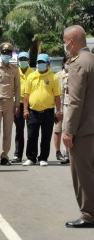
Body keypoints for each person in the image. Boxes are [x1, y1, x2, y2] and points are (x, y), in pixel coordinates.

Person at [63, 25, 94, 228]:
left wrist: (69, 131)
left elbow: (75, 102)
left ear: (72, 42)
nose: (65, 45)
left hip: (83, 130)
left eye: (65, 42)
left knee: (82, 174)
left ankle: (88, 214)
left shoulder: (78, 64)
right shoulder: (91, 60)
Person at [23, 53, 62, 166]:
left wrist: (58, 111)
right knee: (31, 136)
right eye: (38, 62)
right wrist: (25, 110)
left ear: (48, 64)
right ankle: (31, 157)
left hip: (48, 112)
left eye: (42, 63)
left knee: (46, 136)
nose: (39, 64)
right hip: (33, 111)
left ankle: (43, 158)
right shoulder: (31, 76)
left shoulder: (53, 77)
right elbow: (26, 95)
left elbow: (57, 96)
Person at [0, 42, 20, 166]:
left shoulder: (15, 69)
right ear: (0, 54)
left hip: (9, 102)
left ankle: (5, 156)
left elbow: (17, 88)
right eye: (4, 53)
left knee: (8, 131)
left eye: (8, 53)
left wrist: (17, 104)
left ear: (11, 55)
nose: (5, 55)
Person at [12, 52, 33, 163]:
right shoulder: (15, 72)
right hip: (18, 104)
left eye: (25, 59)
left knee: (31, 131)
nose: (23, 61)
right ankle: (17, 154)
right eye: (21, 59)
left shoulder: (33, 73)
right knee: (19, 130)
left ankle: (30, 156)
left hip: (30, 104)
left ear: (29, 60)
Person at [54, 56, 71, 164]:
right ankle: (58, 152)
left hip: (68, 106)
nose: (69, 64)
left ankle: (67, 154)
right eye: (67, 62)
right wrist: (58, 109)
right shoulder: (57, 76)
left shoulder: (74, 75)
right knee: (58, 130)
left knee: (68, 130)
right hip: (58, 106)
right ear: (64, 63)